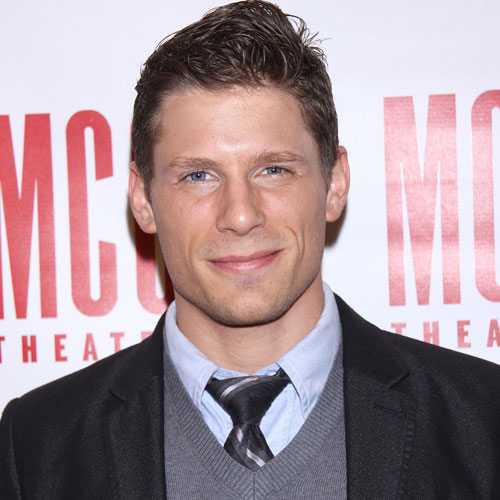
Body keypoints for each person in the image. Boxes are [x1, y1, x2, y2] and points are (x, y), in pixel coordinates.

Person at [1, 1, 499, 499]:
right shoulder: (36, 445)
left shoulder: (484, 421)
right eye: (199, 175)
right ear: (143, 200)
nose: (240, 216)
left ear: (334, 183)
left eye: (274, 169)